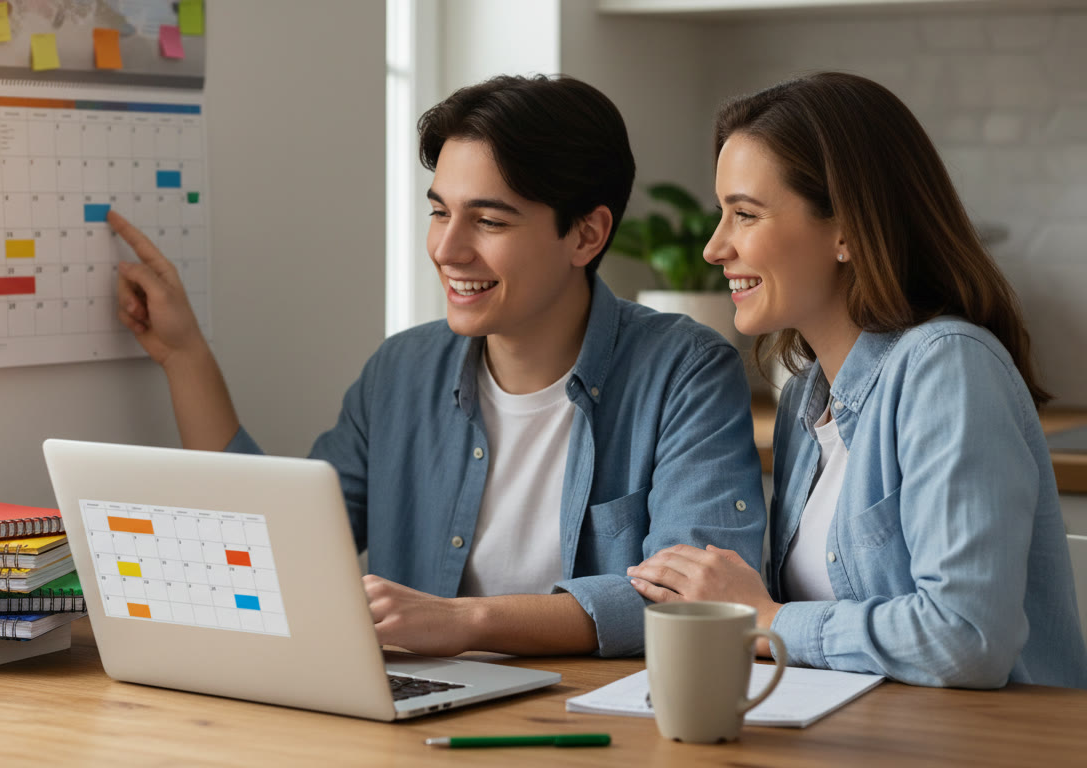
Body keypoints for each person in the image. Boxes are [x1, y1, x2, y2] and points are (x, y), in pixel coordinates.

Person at [110, 74, 766, 658]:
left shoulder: (686, 371)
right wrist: (183, 355)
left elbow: (698, 605)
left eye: (488, 221)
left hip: (605, 724)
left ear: (586, 235)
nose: (448, 249)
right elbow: (276, 548)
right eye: (438, 212)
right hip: (422, 718)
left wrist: (465, 621)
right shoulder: (402, 370)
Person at [627, 72, 1087, 688]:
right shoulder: (803, 399)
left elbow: (967, 640)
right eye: (722, 214)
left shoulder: (947, 367)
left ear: (846, 229)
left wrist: (765, 618)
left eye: (745, 214)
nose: (714, 247)